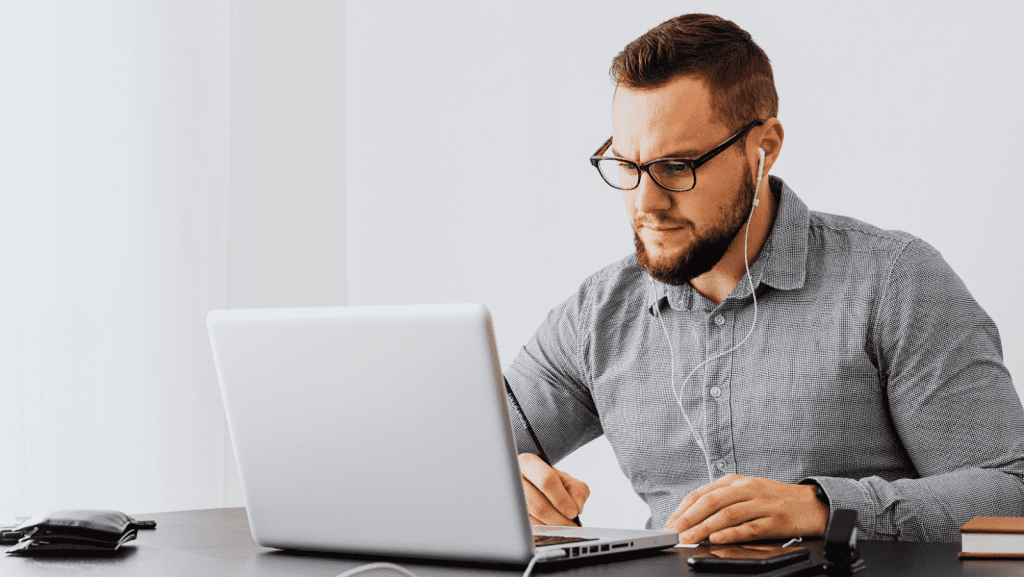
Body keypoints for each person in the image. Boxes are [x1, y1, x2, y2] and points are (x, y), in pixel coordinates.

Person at [504, 13, 1024, 544]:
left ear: (765, 147)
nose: (645, 204)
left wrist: (825, 508)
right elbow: (465, 450)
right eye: (626, 165)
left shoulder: (894, 282)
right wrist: (501, 486)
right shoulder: (595, 317)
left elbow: (1011, 491)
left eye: (677, 167)